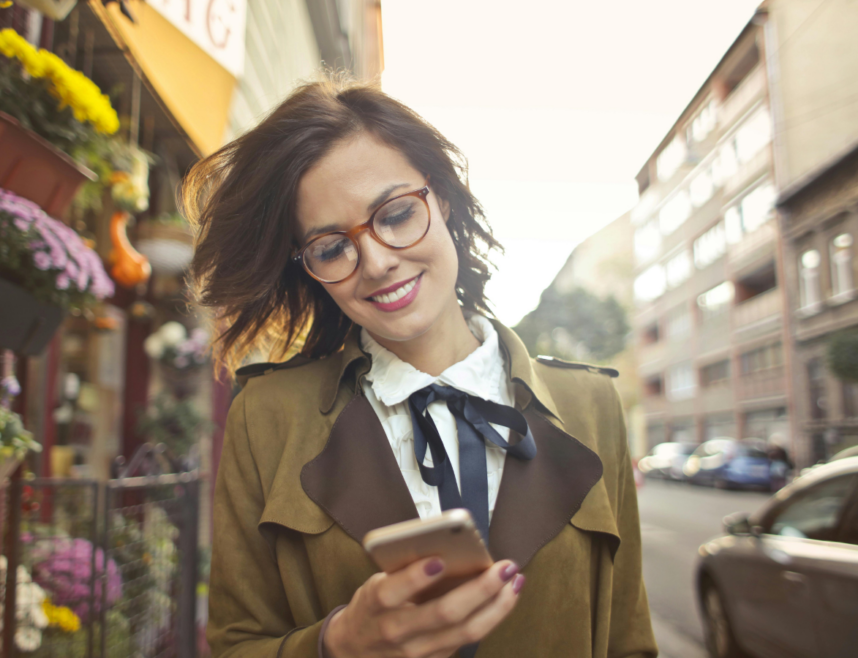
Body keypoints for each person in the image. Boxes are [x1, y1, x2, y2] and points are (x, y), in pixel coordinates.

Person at [183, 78, 657, 658]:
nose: (377, 262)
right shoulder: (267, 417)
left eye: (397, 213)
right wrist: (338, 644)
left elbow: (629, 641)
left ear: (442, 199)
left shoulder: (591, 405)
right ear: (307, 268)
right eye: (332, 248)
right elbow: (235, 645)